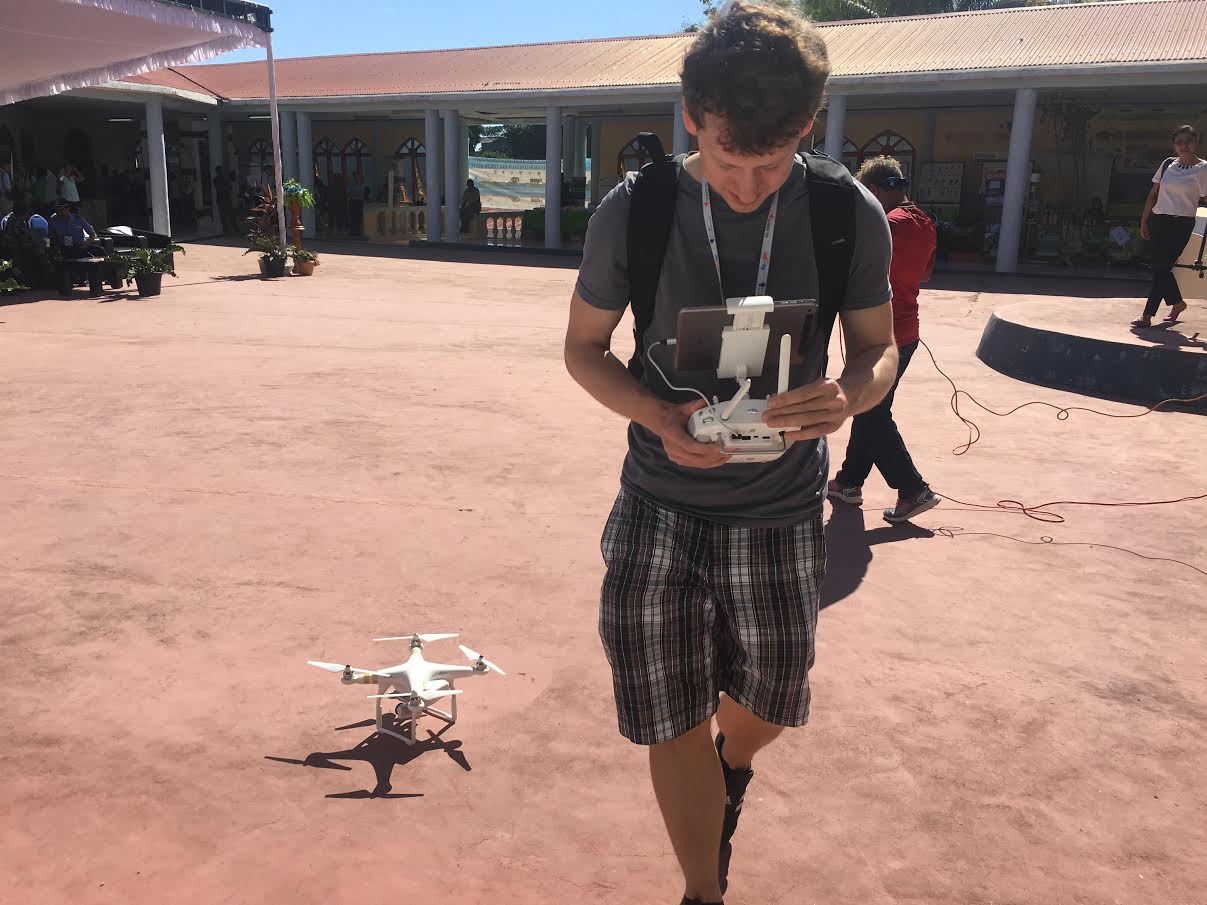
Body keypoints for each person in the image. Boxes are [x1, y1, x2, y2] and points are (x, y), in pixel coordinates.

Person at [563, 4, 896, 904]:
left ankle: (728, 767)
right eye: (724, 161)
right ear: (688, 115)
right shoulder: (635, 210)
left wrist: (848, 395)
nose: (745, 187)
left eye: (770, 162)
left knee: (768, 708)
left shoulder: (842, 209)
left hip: (782, 507)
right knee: (667, 717)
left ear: (809, 128)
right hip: (657, 502)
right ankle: (703, 890)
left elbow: (876, 346)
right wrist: (655, 417)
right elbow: (582, 351)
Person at [826, 157, 939, 523]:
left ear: (873, 191)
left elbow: (859, 274)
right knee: (869, 407)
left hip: (884, 334)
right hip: (907, 329)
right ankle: (848, 482)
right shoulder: (923, 222)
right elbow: (926, 273)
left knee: (874, 412)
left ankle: (913, 488)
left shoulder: (887, 225)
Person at [1134, 124, 1207, 328]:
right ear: (1174, 146)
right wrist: (1144, 220)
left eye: (1188, 141)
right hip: (1159, 220)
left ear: (1196, 143)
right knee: (1161, 267)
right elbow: (1153, 194)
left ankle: (1164, 309)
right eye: (1179, 142)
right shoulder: (1168, 164)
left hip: (1181, 223)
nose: (1184, 146)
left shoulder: (1203, 169)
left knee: (1161, 267)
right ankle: (1158, 311)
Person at [213, 165, 236, 235]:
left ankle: (229, 229)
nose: (221, 172)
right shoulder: (217, 179)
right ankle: (228, 229)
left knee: (227, 215)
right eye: (220, 171)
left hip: (224, 198)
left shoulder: (223, 179)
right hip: (222, 198)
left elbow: (229, 187)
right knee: (226, 215)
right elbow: (227, 188)